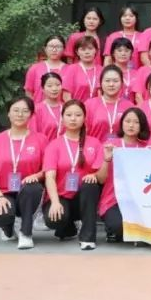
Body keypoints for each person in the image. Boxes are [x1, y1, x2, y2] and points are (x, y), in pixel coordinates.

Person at [0, 97, 47, 250]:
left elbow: (48, 169)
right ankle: (8, 228)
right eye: (16, 111)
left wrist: (37, 176)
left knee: (33, 188)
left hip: (27, 190)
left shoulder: (40, 139)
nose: (20, 115)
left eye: (25, 111)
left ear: (31, 115)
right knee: (0, 216)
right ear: (8, 114)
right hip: (2, 191)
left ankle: (26, 233)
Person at [41, 100, 106, 250]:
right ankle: (68, 227)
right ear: (62, 118)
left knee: (90, 185)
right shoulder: (54, 145)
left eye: (78, 115)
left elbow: (102, 178)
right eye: (69, 115)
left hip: (83, 198)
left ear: (84, 118)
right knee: (54, 220)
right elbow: (49, 177)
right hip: (61, 197)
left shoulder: (94, 143)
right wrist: (55, 202)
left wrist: (97, 173)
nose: (73, 118)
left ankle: (88, 237)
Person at [98, 107, 149, 243]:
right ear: (121, 123)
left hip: (138, 199)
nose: (131, 125)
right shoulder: (110, 146)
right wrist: (107, 159)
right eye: (127, 121)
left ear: (142, 125)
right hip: (113, 199)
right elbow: (101, 179)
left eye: (136, 122)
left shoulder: (147, 148)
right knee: (118, 226)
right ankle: (113, 231)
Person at [83, 66, 133, 142]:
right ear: (100, 83)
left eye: (115, 81)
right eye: (107, 81)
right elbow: (83, 132)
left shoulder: (129, 106)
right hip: (95, 148)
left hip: (121, 149)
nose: (111, 84)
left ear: (122, 83)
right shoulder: (89, 104)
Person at [61, 35, 101, 101]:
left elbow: (102, 95)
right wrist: (75, 107)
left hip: (96, 107)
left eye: (90, 49)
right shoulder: (72, 69)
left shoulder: (102, 70)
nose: (87, 52)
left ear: (96, 50)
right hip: (76, 106)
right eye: (83, 49)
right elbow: (66, 96)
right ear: (77, 52)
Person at [32, 72, 66, 141]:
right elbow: (34, 135)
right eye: (49, 86)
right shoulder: (37, 109)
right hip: (45, 146)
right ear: (42, 89)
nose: (54, 89)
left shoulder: (67, 107)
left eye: (58, 85)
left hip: (65, 146)